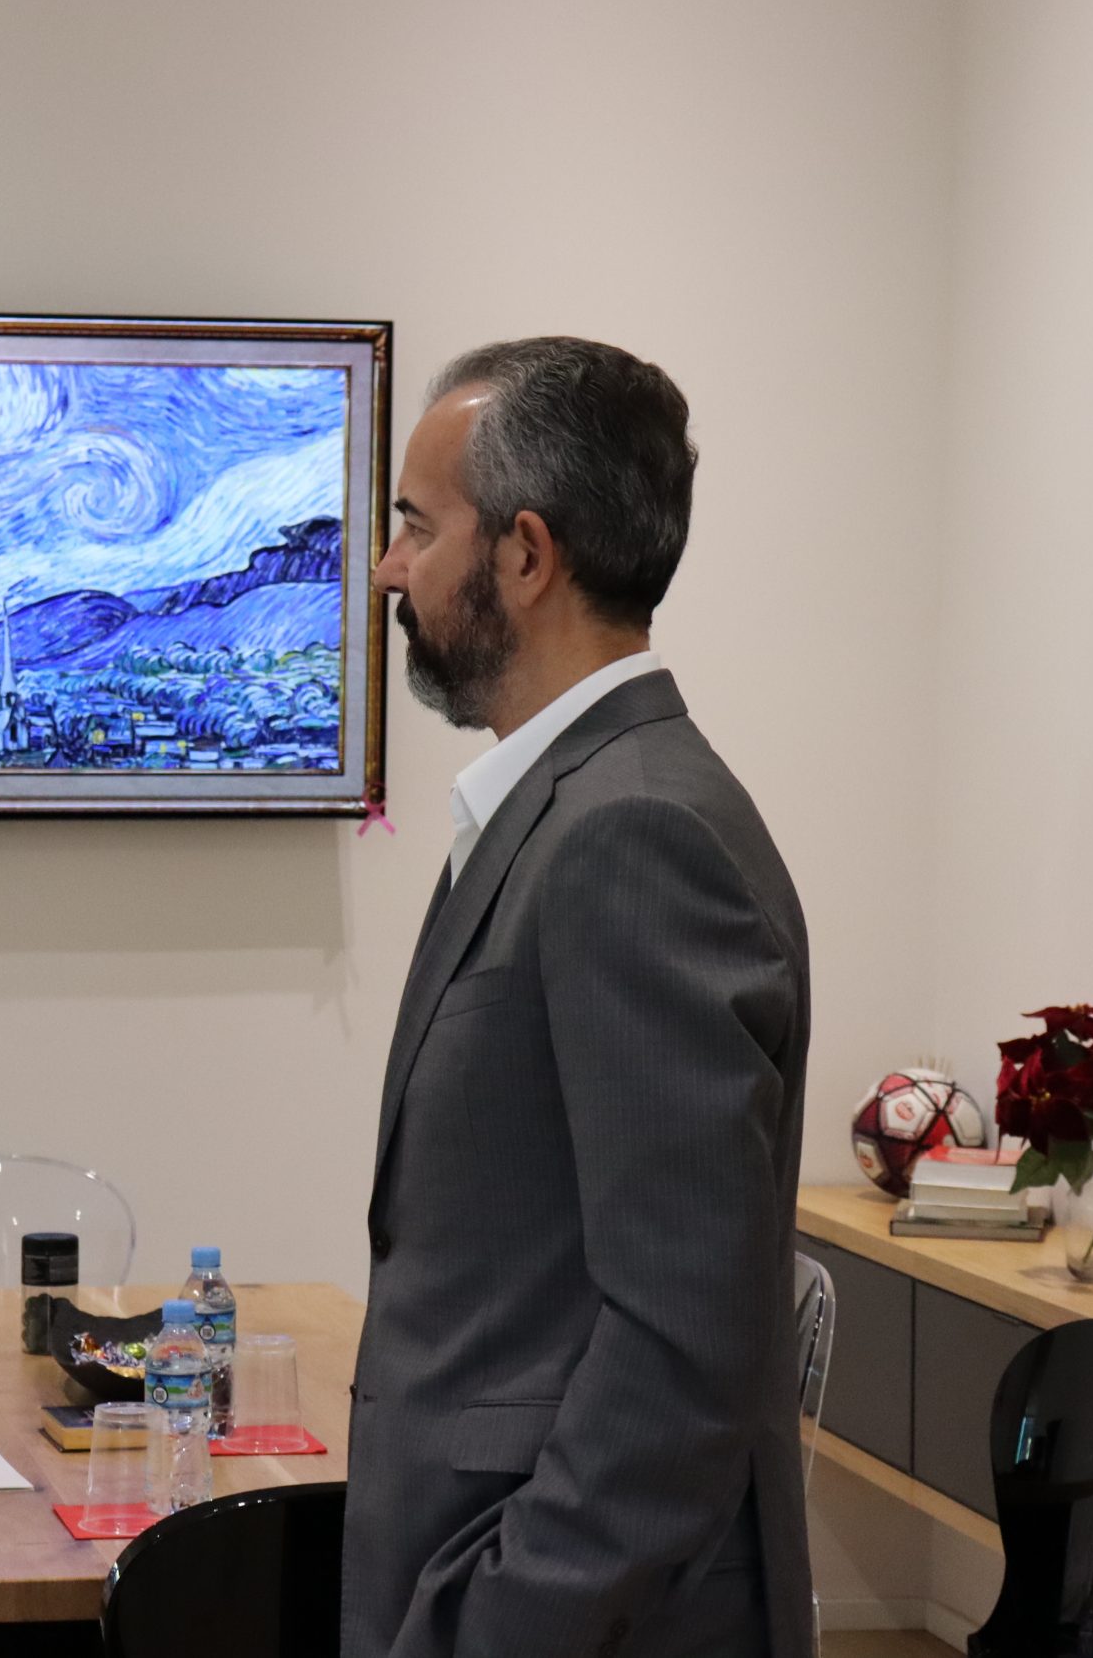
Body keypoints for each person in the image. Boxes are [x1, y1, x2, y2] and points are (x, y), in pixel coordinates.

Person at [345, 338, 813, 1658]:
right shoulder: (569, 806)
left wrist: (506, 1616)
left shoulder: (633, 833)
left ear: (525, 555)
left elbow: (685, 1337)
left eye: (416, 527)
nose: (387, 568)